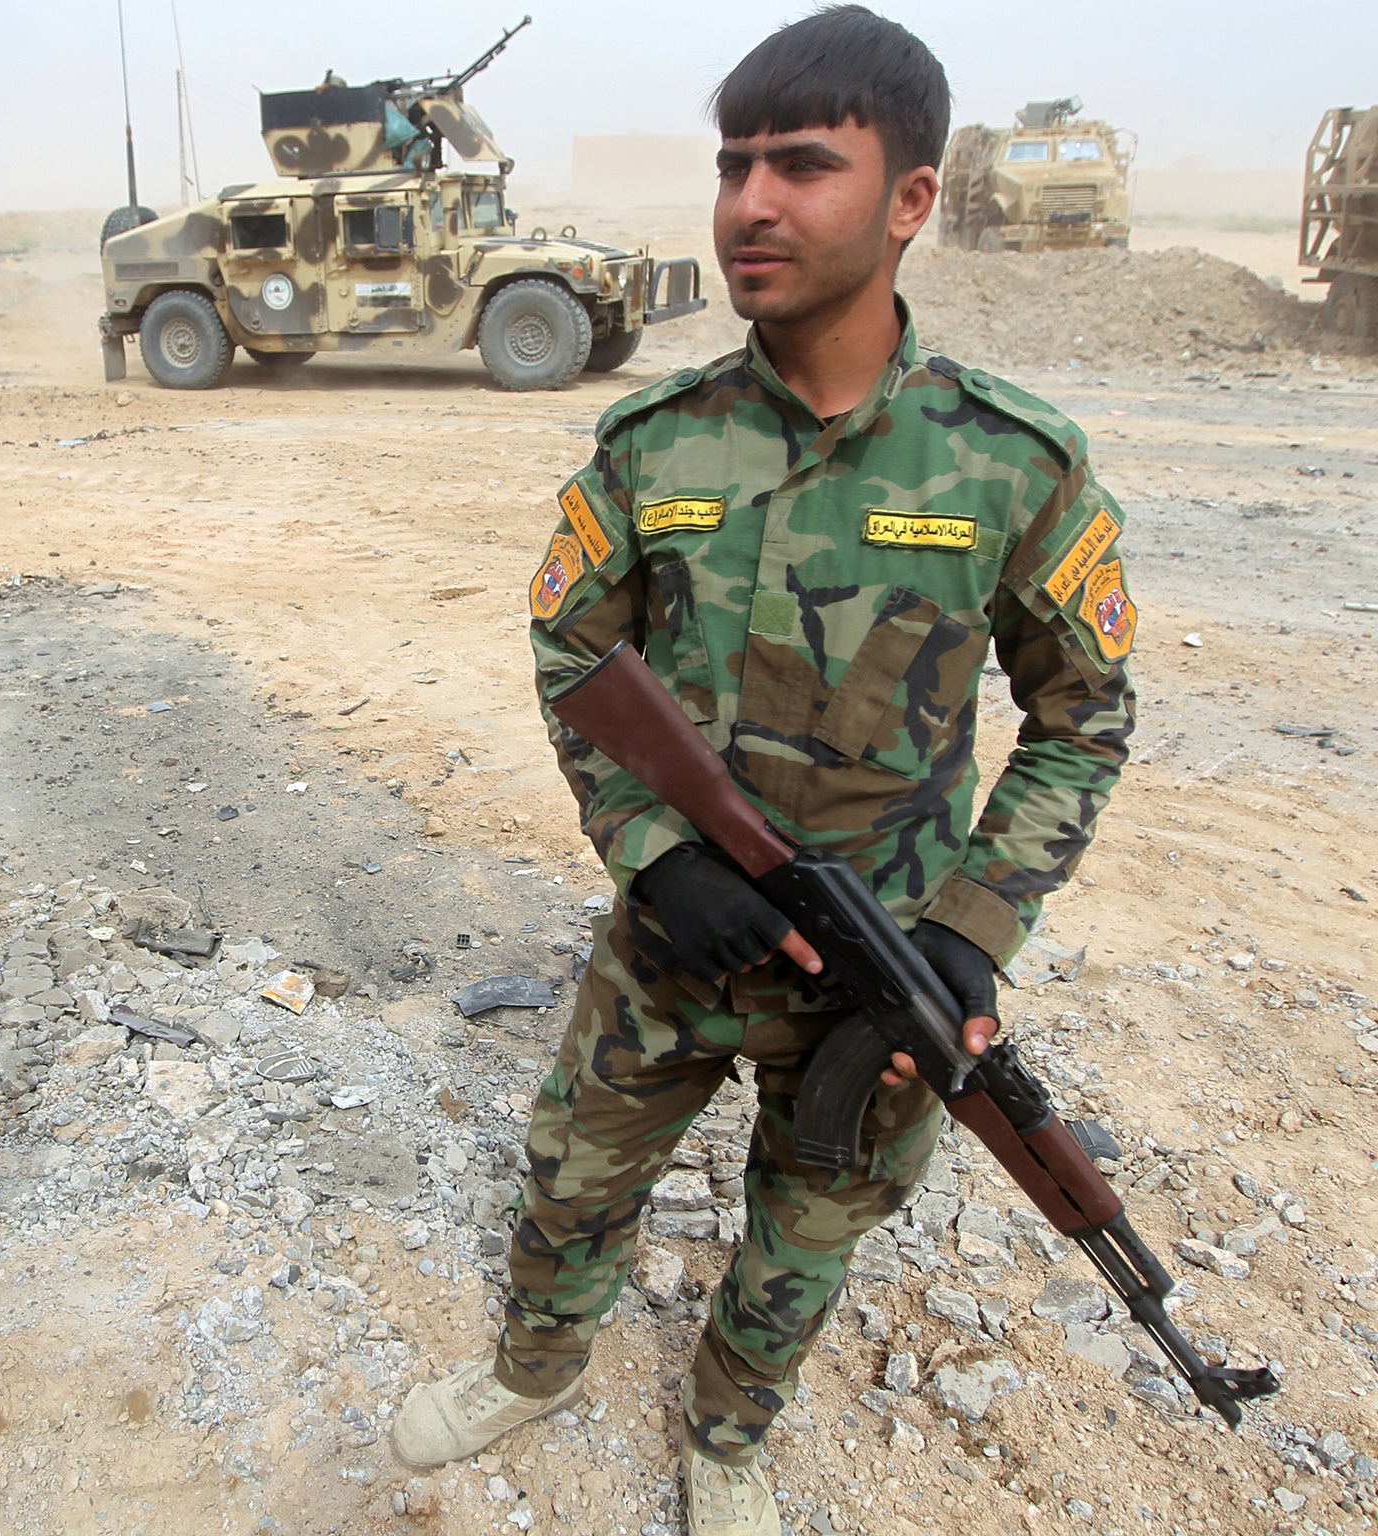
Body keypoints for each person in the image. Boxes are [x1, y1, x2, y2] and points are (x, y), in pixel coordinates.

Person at [390, 8, 1137, 1531]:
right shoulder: (656, 441)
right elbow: (569, 655)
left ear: (912, 199)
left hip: (884, 972)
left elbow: (1086, 718)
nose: (752, 204)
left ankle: (730, 1433)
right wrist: (653, 852)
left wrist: (971, 929)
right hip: (672, 949)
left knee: (811, 1227)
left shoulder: (1013, 460)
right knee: (575, 1179)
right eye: (736, 165)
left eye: (804, 165)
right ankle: (536, 1369)